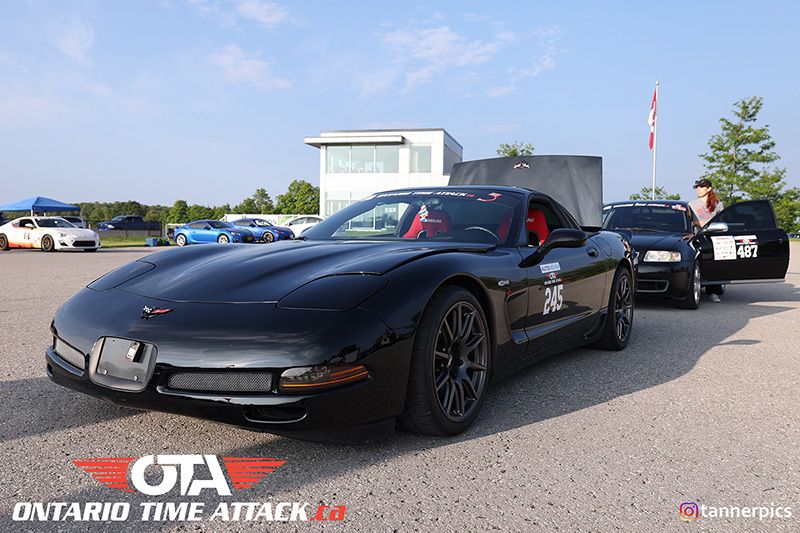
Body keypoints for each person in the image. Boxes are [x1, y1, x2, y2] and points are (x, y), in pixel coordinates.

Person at [688, 178, 724, 301]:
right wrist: (699, 222)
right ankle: (696, 288)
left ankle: (714, 292)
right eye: (697, 187)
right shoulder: (691, 204)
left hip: (713, 238)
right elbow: (689, 221)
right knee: (698, 263)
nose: (698, 189)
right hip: (698, 237)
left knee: (714, 265)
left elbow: (722, 221)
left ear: (708, 188)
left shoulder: (718, 204)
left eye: (701, 187)